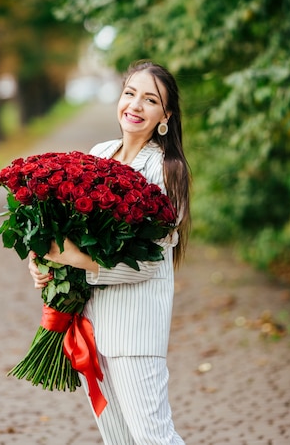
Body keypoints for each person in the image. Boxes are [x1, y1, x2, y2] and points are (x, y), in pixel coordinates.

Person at [28, 60, 191, 445]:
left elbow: (149, 262)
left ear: (165, 115)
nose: (135, 106)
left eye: (150, 100)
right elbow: (69, 234)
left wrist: (75, 260)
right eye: (130, 93)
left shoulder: (167, 169)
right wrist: (43, 261)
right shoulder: (100, 152)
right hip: (90, 326)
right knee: (119, 440)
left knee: (154, 439)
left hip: (135, 332)